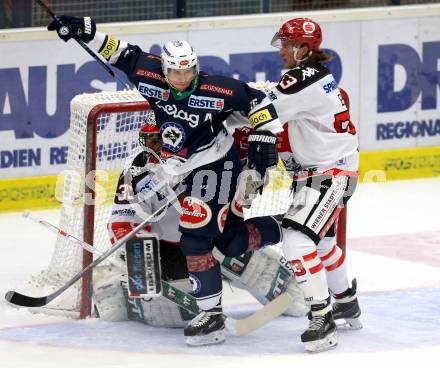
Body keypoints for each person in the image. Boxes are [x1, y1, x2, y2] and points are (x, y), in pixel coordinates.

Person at [48, 16, 284, 346]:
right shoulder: (150, 75)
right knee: (229, 241)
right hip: (182, 168)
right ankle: (284, 227)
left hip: (216, 164)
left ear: (195, 67)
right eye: (176, 71)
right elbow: (119, 52)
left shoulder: (217, 88)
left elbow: (259, 101)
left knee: (195, 235)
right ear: (165, 69)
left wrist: (265, 136)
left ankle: (212, 316)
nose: (182, 77)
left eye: (188, 70)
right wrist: (84, 29)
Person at [93, 120, 306, 331]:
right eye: (151, 142)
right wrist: (141, 256)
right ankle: (113, 286)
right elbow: (121, 222)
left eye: (162, 142)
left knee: (246, 256)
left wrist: (245, 184)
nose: (156, 150)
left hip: (214, 237)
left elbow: (250, 184)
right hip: (166, 252)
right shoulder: (136, 173)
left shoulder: (209, 155)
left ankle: (285, 244)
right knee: (179, 314)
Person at [266, 18, 362, 352]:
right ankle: (347, 303)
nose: (280, 51)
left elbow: (262, 111)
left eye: (285, 44)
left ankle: (322, 319)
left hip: (330, 174)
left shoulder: (301, 78)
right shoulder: (317, 77)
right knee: (320, 245)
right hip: (325, 171)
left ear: (303, 48)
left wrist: (222, 110)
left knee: (296, 241)